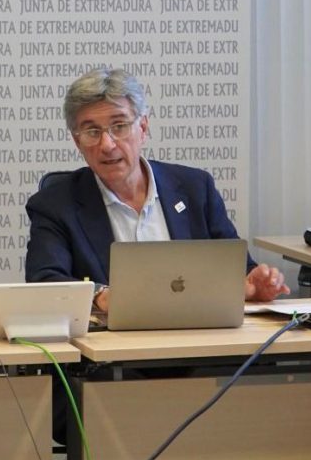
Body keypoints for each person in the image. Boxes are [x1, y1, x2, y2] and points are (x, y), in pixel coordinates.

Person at [25, 67, 289, 311]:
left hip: (197, 334)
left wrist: (254, 283)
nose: (107, 144)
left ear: (143, 128)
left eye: (119, 126)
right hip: (111, 344)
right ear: (77, 142)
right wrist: (99, 295)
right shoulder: (55, 205)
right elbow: (44, 281)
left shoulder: (196, 189)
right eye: (92, 132)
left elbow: (237, 269)